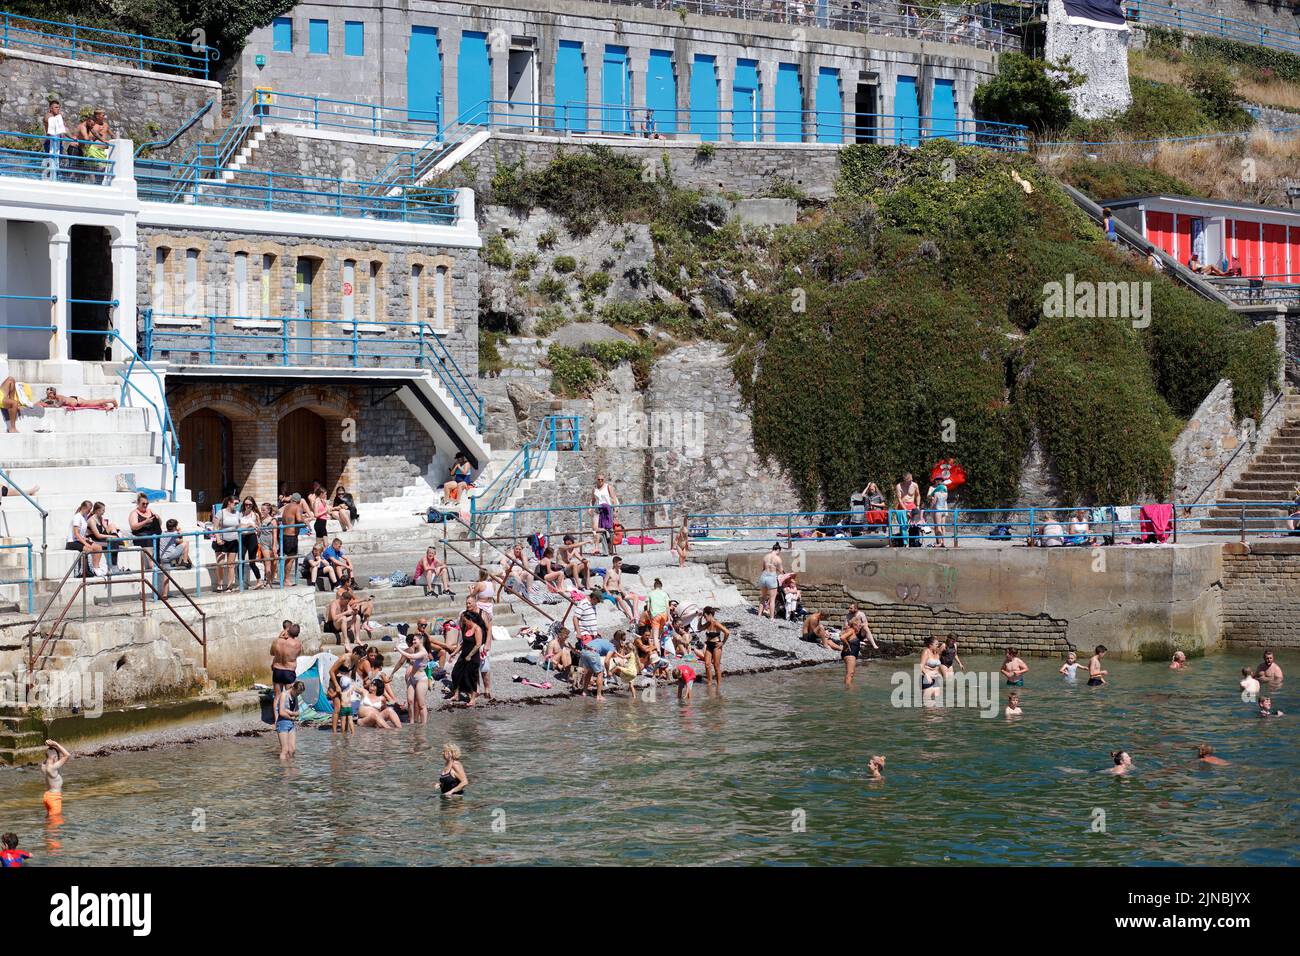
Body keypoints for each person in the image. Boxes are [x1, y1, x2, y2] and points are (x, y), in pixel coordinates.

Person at [450, 598, 486, 705]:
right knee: (455, 673)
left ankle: (473, 698)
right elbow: (462, 643)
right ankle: (456, 694)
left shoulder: (477, 629)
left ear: (470, 620)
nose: (463, 622)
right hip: (464, 654)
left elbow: (478, 644)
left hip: (473, 656)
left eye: (465, 620)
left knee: (470, 676)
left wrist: (470, 655)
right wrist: (454, 652)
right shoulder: (466, 627)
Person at [66, 499, 104, 577]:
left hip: (79, 540)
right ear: (84, 508)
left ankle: (96, 568)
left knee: (98, 547)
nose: (90, 512)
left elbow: (81, 534)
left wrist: (86, 539)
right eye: (89, 510)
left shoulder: (84, 517)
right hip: (72, 542)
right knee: (89, 548)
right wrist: (86, 543)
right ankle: (86, 571)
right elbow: (76, 534)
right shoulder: (77, 517)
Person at [211, 496, 241, 592]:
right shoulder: (221, 512)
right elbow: (215, 527)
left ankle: (229, 585)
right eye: (235, 503)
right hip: (222, 541)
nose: (237, 506)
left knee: (231, 564)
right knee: (220, 563)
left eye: (238, 504)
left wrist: (251, 525)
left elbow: (240, 525)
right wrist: (218, 539)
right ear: (229, 502)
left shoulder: (237, 514)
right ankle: (219, 583)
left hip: (233, 540)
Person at [698, 606, 730, 688]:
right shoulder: (708, 623)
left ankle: (718, 686)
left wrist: (723, 642)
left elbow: (727, 632)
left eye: (705, 616)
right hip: (709, 645)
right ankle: (709, 683)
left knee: (716, 665)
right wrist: (699, 618)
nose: (705, 618)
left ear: (710, 615)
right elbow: (699, 628)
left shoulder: (716, 623)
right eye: (704, 617)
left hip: (716, 646)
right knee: (707, 664)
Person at [278, 493, 306, 584]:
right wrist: (305, 520)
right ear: (299, 501)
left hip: (284, 535)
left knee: (285, 557)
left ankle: (283, 578)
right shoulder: (297, 507)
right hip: (291, 536)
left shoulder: (287, 507)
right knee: (291, 558)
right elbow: (298, 519)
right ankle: (286, 579)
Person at [579, 633, 616, 699]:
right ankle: (599, 695)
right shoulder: (612, 648)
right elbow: (606, 661)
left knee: (589, 672)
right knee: (600, 673)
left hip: (583, 651)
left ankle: (584, 692)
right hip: (592, 652)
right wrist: (608, 672)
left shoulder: (603, 642)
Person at [237, 496, 264, 589]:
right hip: (243, 537)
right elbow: (239, 527)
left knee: (252, 561)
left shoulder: (255, 515)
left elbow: (259, 527)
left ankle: (259, 581)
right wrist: (249, 525)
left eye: (250, 504)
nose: (248, 506)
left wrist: (257, 529)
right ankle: (240, 583)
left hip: (252, 537)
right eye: (246, 504)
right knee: (241, 560)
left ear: (253, 505)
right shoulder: (240, 514)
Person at [601, 555, 636, 622]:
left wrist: (623, 591)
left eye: (621, 563)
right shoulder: (609, 571)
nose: (621, 565)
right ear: (614, 563)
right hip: (611, 591)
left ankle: (635, 614)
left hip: (617, 591)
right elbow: (604, 585)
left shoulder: (620, 571)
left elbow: (619, 583)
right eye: (619, 563)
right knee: (619, 598)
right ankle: (630, 616)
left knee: (635, 596)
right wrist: (607, 592)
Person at [41, 740, 70, 821]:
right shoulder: (52, 767)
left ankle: (46, 832)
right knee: (55, 823)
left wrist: (51, 747)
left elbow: (48, 755)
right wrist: (55, 743)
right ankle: (49, 833)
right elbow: (67, 755)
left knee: (49, 819)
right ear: (54, 757)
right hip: (54, 798)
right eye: (58, 757)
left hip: (47, 796)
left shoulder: (43, 766)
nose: (59, 759)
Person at [270, 623, 302, 694]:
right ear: (297, 634)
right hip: (289, 671)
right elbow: (297, 655)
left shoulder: (277, 641)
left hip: (277, 670)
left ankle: (276, 705)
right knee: (290, 695)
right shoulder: (297, 644)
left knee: (277, 697)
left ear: (287, 631)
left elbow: (272, 653)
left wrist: (281, 636)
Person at [274, 681, 303, 759]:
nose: (297, 695)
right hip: (282, 723)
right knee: (285, 750)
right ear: (293, 688)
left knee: (292, 750)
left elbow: (297, 712)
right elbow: (281, 712)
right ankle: (284, 769)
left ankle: (291, 766)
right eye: (297, 693)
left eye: (299, 694)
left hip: (291, 724)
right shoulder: (284, 695)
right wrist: (291, 716)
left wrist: (290, 712)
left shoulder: (295, 697)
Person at [591, 473, 618, 554]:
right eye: (599, 479)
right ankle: (599, 548)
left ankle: (610, 549)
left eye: (602, 479)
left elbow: (614, 499)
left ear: (604, 480)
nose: (600, 481)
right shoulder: (594, 489)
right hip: (598, 509)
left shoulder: (608, 487)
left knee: (609, 530)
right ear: (596, 480)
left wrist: (615, 510)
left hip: (607, 509)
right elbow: (593, 499)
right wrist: (590, 508)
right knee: (597, 529)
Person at [832, 617, 863, 687]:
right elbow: (842, 637)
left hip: (849, 654)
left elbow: (841, 634)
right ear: (855, 625)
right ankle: (849, 690)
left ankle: (847, 686)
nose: (860, 627)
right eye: (859, 625)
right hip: (850, 654)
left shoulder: (850, 630)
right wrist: (847, 644)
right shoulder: (851, 630)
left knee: (849, 673)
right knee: (850, 673)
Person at [646, 579, 671, 654]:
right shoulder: (664, 594)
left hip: (655, 615)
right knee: (660, 634)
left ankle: (658, 651)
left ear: (654, 586)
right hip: (664, 615)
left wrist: (650, 618)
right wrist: (669, 619)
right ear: (661, 586)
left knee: (655, 636)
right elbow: (667, 607)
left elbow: (647, 608)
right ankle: (661, 649)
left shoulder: (650, 593)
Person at [758, 544, 783, 619]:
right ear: (778, 550)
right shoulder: (778, 558)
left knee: (763, 597)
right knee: (772, 599)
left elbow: (763, 568)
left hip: (763, 576)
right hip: (771, 577)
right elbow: (781, 570)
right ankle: (772, 618)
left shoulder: (766, 556)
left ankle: (759, 615)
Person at [927, 475, 948, 547]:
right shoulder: (932, 488)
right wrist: (932, 497)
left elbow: (945, 498)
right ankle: (939, 541)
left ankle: (942, 542)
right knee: (937, 525)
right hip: (937, 508)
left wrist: (935, 498)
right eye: (937, 479)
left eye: (940, 479)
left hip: (940, 508)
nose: (939, 481)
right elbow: (928, 496)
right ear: (935, 480)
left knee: (942, 525)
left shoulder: (944, 487)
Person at [919, 637, 943, 704]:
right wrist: (927, 675)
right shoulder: (926, 651)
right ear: (930, 645)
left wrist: (939, 674)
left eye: (938, 644)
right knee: (928, 704)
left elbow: (937, 666)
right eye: (936, 644)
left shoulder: (935, 652)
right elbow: (921, 666)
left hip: (936, 680)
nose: (937, 645)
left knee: (938, 703)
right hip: (927, 680)